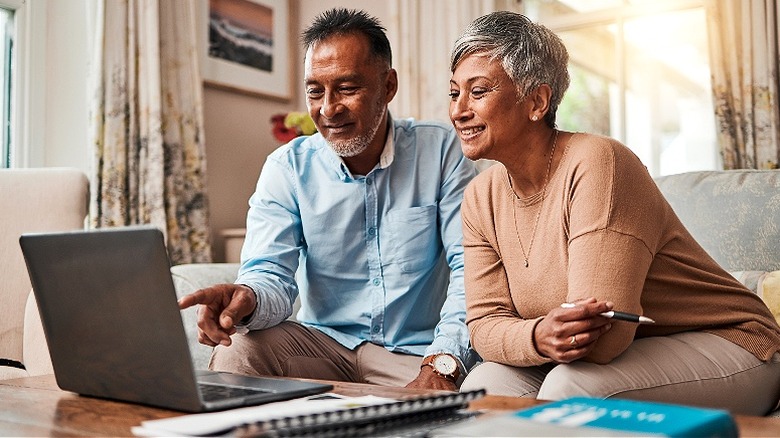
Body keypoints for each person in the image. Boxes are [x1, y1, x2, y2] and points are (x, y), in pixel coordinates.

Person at [449, 11, 780, 415]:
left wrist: (538, 336)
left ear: (536, 101)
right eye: (454, 93)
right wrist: (538, 336)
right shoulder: (481, 196)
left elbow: (604, 340)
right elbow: (483, 325)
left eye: (478, 91)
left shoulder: (600, 162)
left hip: (731, 342)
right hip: (615, 354)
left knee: (571, 388)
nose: (459, 111)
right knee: (482, 387)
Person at [179, 8, 476, 391]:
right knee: (239, 348)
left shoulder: (440, 151)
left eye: (348, 89)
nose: (328, 108)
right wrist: (246, 297)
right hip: (322, 347)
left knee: (478, 391)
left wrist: (444, 362)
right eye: (315, 91)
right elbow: (271, 274)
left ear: (388, 87)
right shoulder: (287, 168)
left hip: (416, 354)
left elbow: (471, 270)